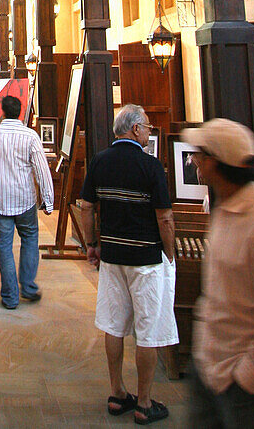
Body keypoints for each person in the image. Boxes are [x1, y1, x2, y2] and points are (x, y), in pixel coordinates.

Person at [183, 118, 254, 428]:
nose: (193, 160)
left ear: (216, 163)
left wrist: (248, 374)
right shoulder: (223, 210)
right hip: (211, 368)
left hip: (251, 387)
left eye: (199, 154)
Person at [79, 104, 177, 425]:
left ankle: (118, 392)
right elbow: (164, 217)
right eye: (147, 127)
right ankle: (145, 402)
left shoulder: (100, 161)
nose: (149, 132)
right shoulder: (151, 167)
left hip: (113, 256)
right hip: (146, 259)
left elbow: (87, 207)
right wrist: (170, 252)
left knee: (114, 324)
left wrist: (92, 244)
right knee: (147, 329)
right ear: (135, 129)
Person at [0, 94, 55, 310]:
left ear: (2, 112)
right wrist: (48, 201)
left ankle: (10, 296)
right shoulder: (30, 136)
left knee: (4, 247)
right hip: (25, 199)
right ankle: (29, 287)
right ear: (21, 112)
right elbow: (42, 170)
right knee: (30, 240)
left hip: (2, 200)